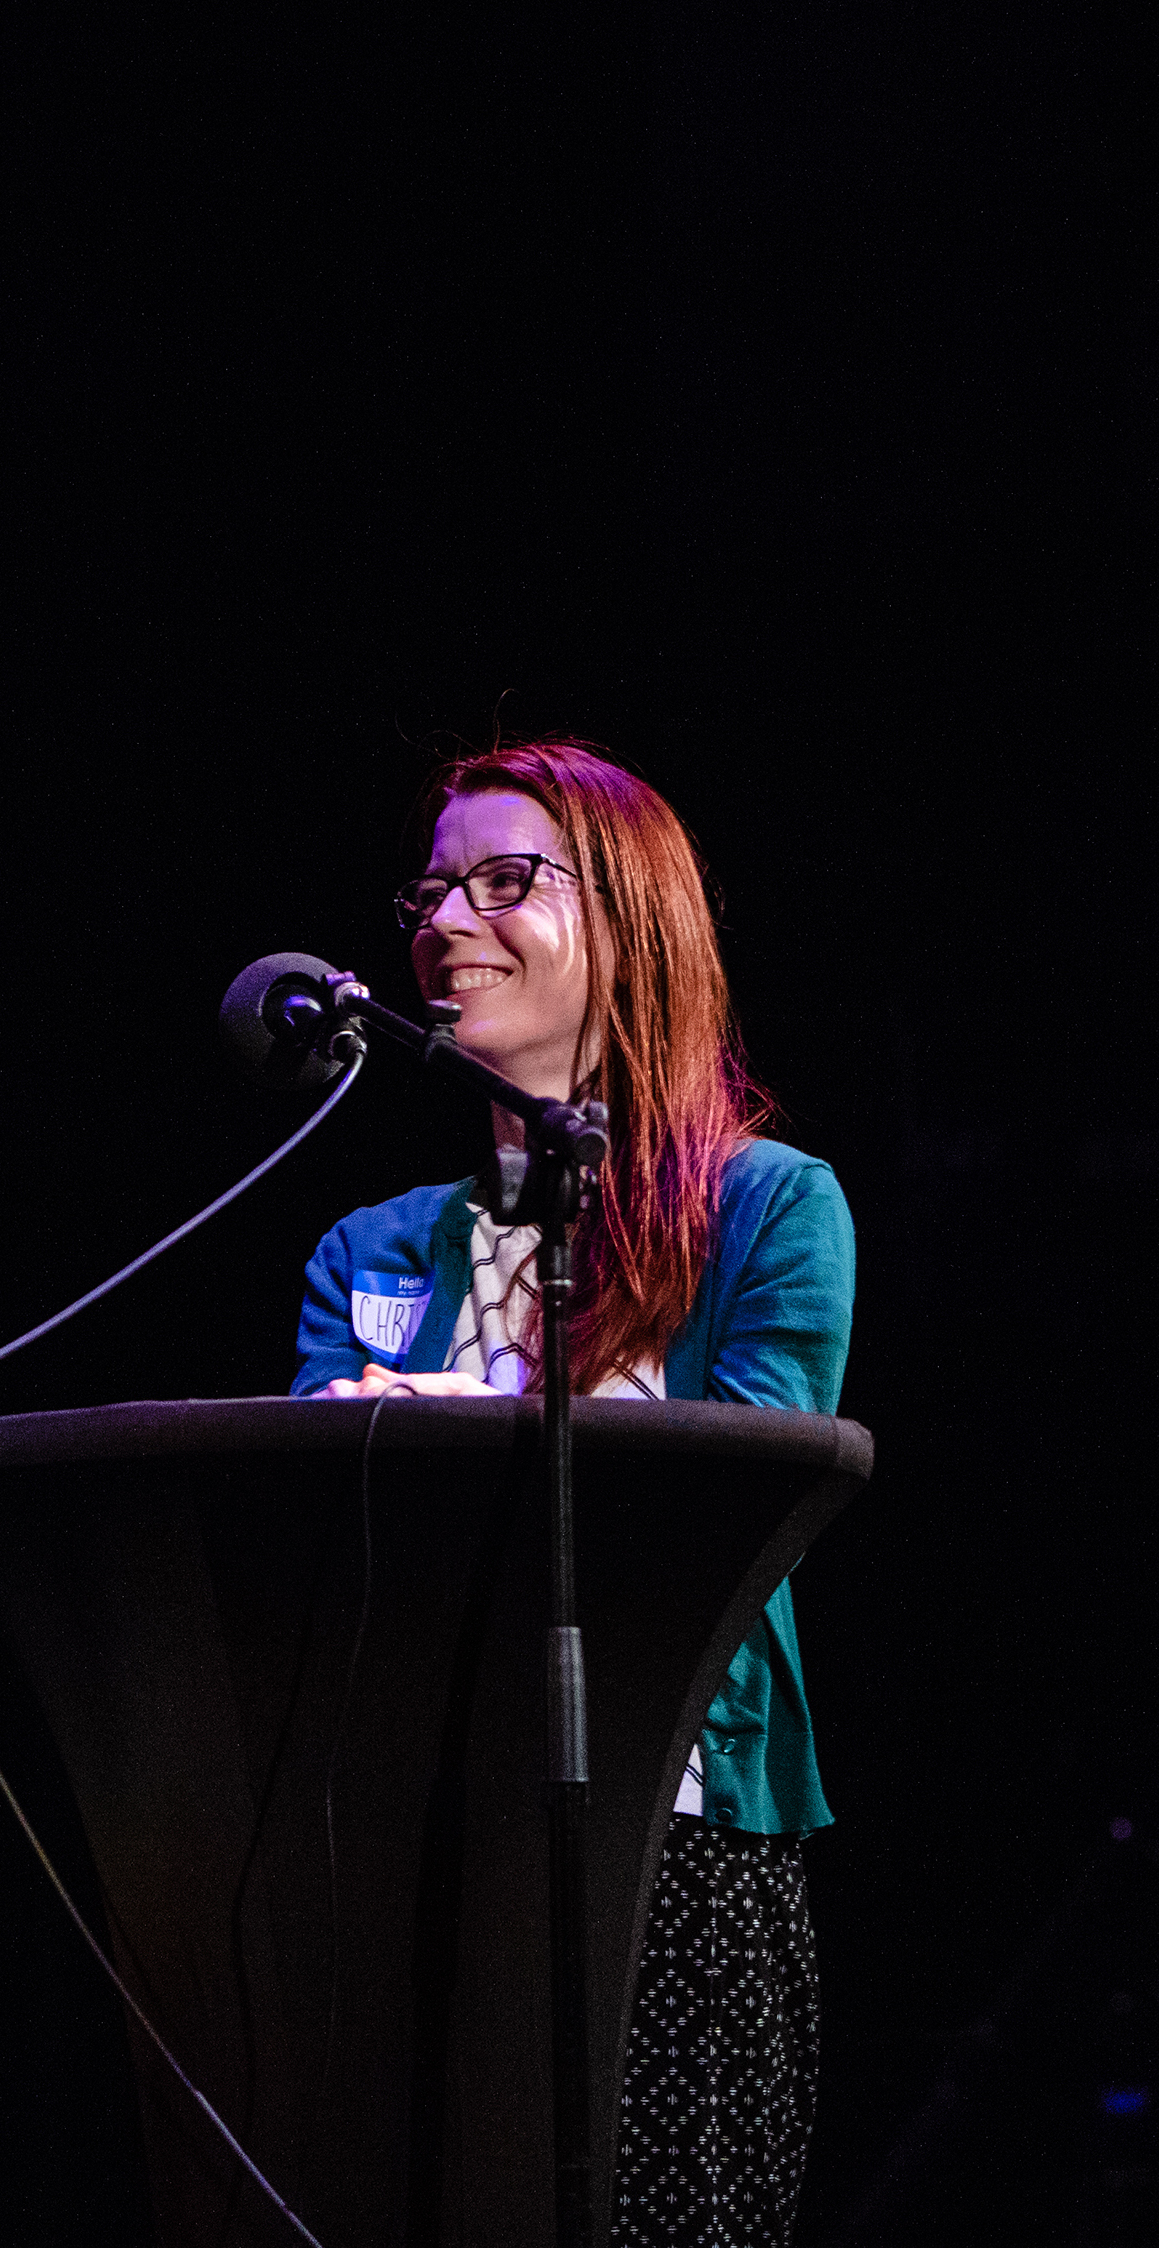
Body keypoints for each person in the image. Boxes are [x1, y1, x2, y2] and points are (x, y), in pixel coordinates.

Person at [291, 738, 853, 2248]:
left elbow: (746, 1491)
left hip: (678, 1849)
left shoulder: (765, 1208)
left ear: (630, 923)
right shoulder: (370, 1252)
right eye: (427, 889)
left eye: (501, 880)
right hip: (422, 1849)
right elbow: (311, 1528)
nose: (442, 920)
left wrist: (453, 1421)